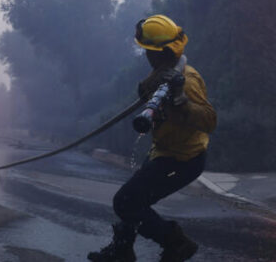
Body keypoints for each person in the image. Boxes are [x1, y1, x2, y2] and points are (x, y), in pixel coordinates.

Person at [89, 15, 216, 262]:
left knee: (126, 202)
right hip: (163, 153)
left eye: (147, 51)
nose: (145, 55)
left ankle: (177, 243)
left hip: (183, 160)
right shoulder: (163, 74)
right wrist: (152, 87)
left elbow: (210, 120)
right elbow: (147, 92)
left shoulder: (187, 82)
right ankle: (123, 250)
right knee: (134, 200)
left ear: (158, 53)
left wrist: (182, 103)